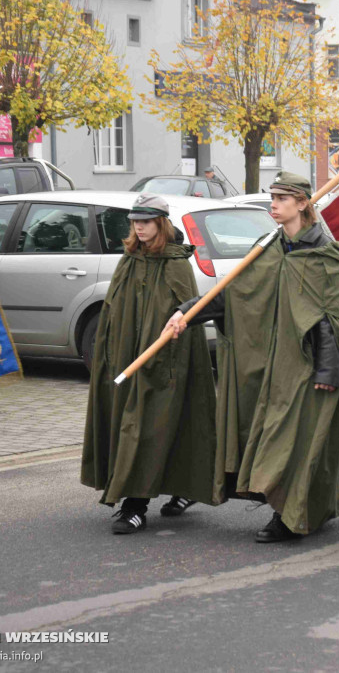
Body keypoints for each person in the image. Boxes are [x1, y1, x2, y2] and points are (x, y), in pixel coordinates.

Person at [166, 172, 339, 543]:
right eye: (273, 196)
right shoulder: (267, 249)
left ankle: (288, 517)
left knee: (297, 442)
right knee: (273, 437)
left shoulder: (325, 257)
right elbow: (232, 294)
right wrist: (186, 313)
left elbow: (331, 319)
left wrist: (328, 370)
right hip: (271, 365)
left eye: (283, 198)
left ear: (303, 203)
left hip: (308, 365)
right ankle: (292, 509)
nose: (275, 204)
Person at [81, 194, 219, 535]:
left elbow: (188, 315)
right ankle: (178, 489)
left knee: (150, 425)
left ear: (161, 223)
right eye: (135, 221)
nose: (139, 227)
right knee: (136, 424)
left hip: (164, 362)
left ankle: (135, 505)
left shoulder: (175, 264)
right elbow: (114, 309)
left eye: (146, 221)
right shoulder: (129, 260)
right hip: (126, 358)